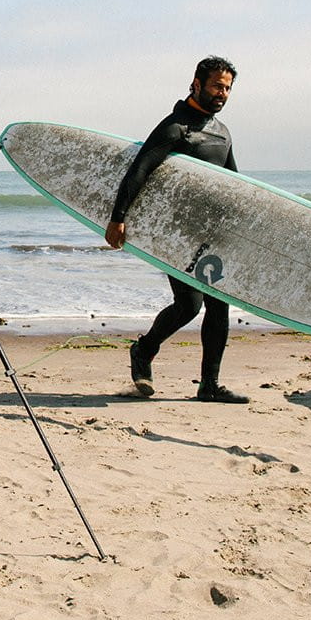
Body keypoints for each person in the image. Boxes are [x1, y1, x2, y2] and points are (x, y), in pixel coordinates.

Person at [104, 55, 249, 404]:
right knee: (189, 306)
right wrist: (118, 217)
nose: (222, 93)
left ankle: (209, 385)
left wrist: (244, 228)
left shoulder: (222, 132)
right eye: (217, 86)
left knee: (219, 305)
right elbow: (140, 169)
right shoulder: (175, 128)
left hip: (212, 233)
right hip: (177, 234)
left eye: (228, 88)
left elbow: (233, 183)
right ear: (197, 84)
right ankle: (144, 350)